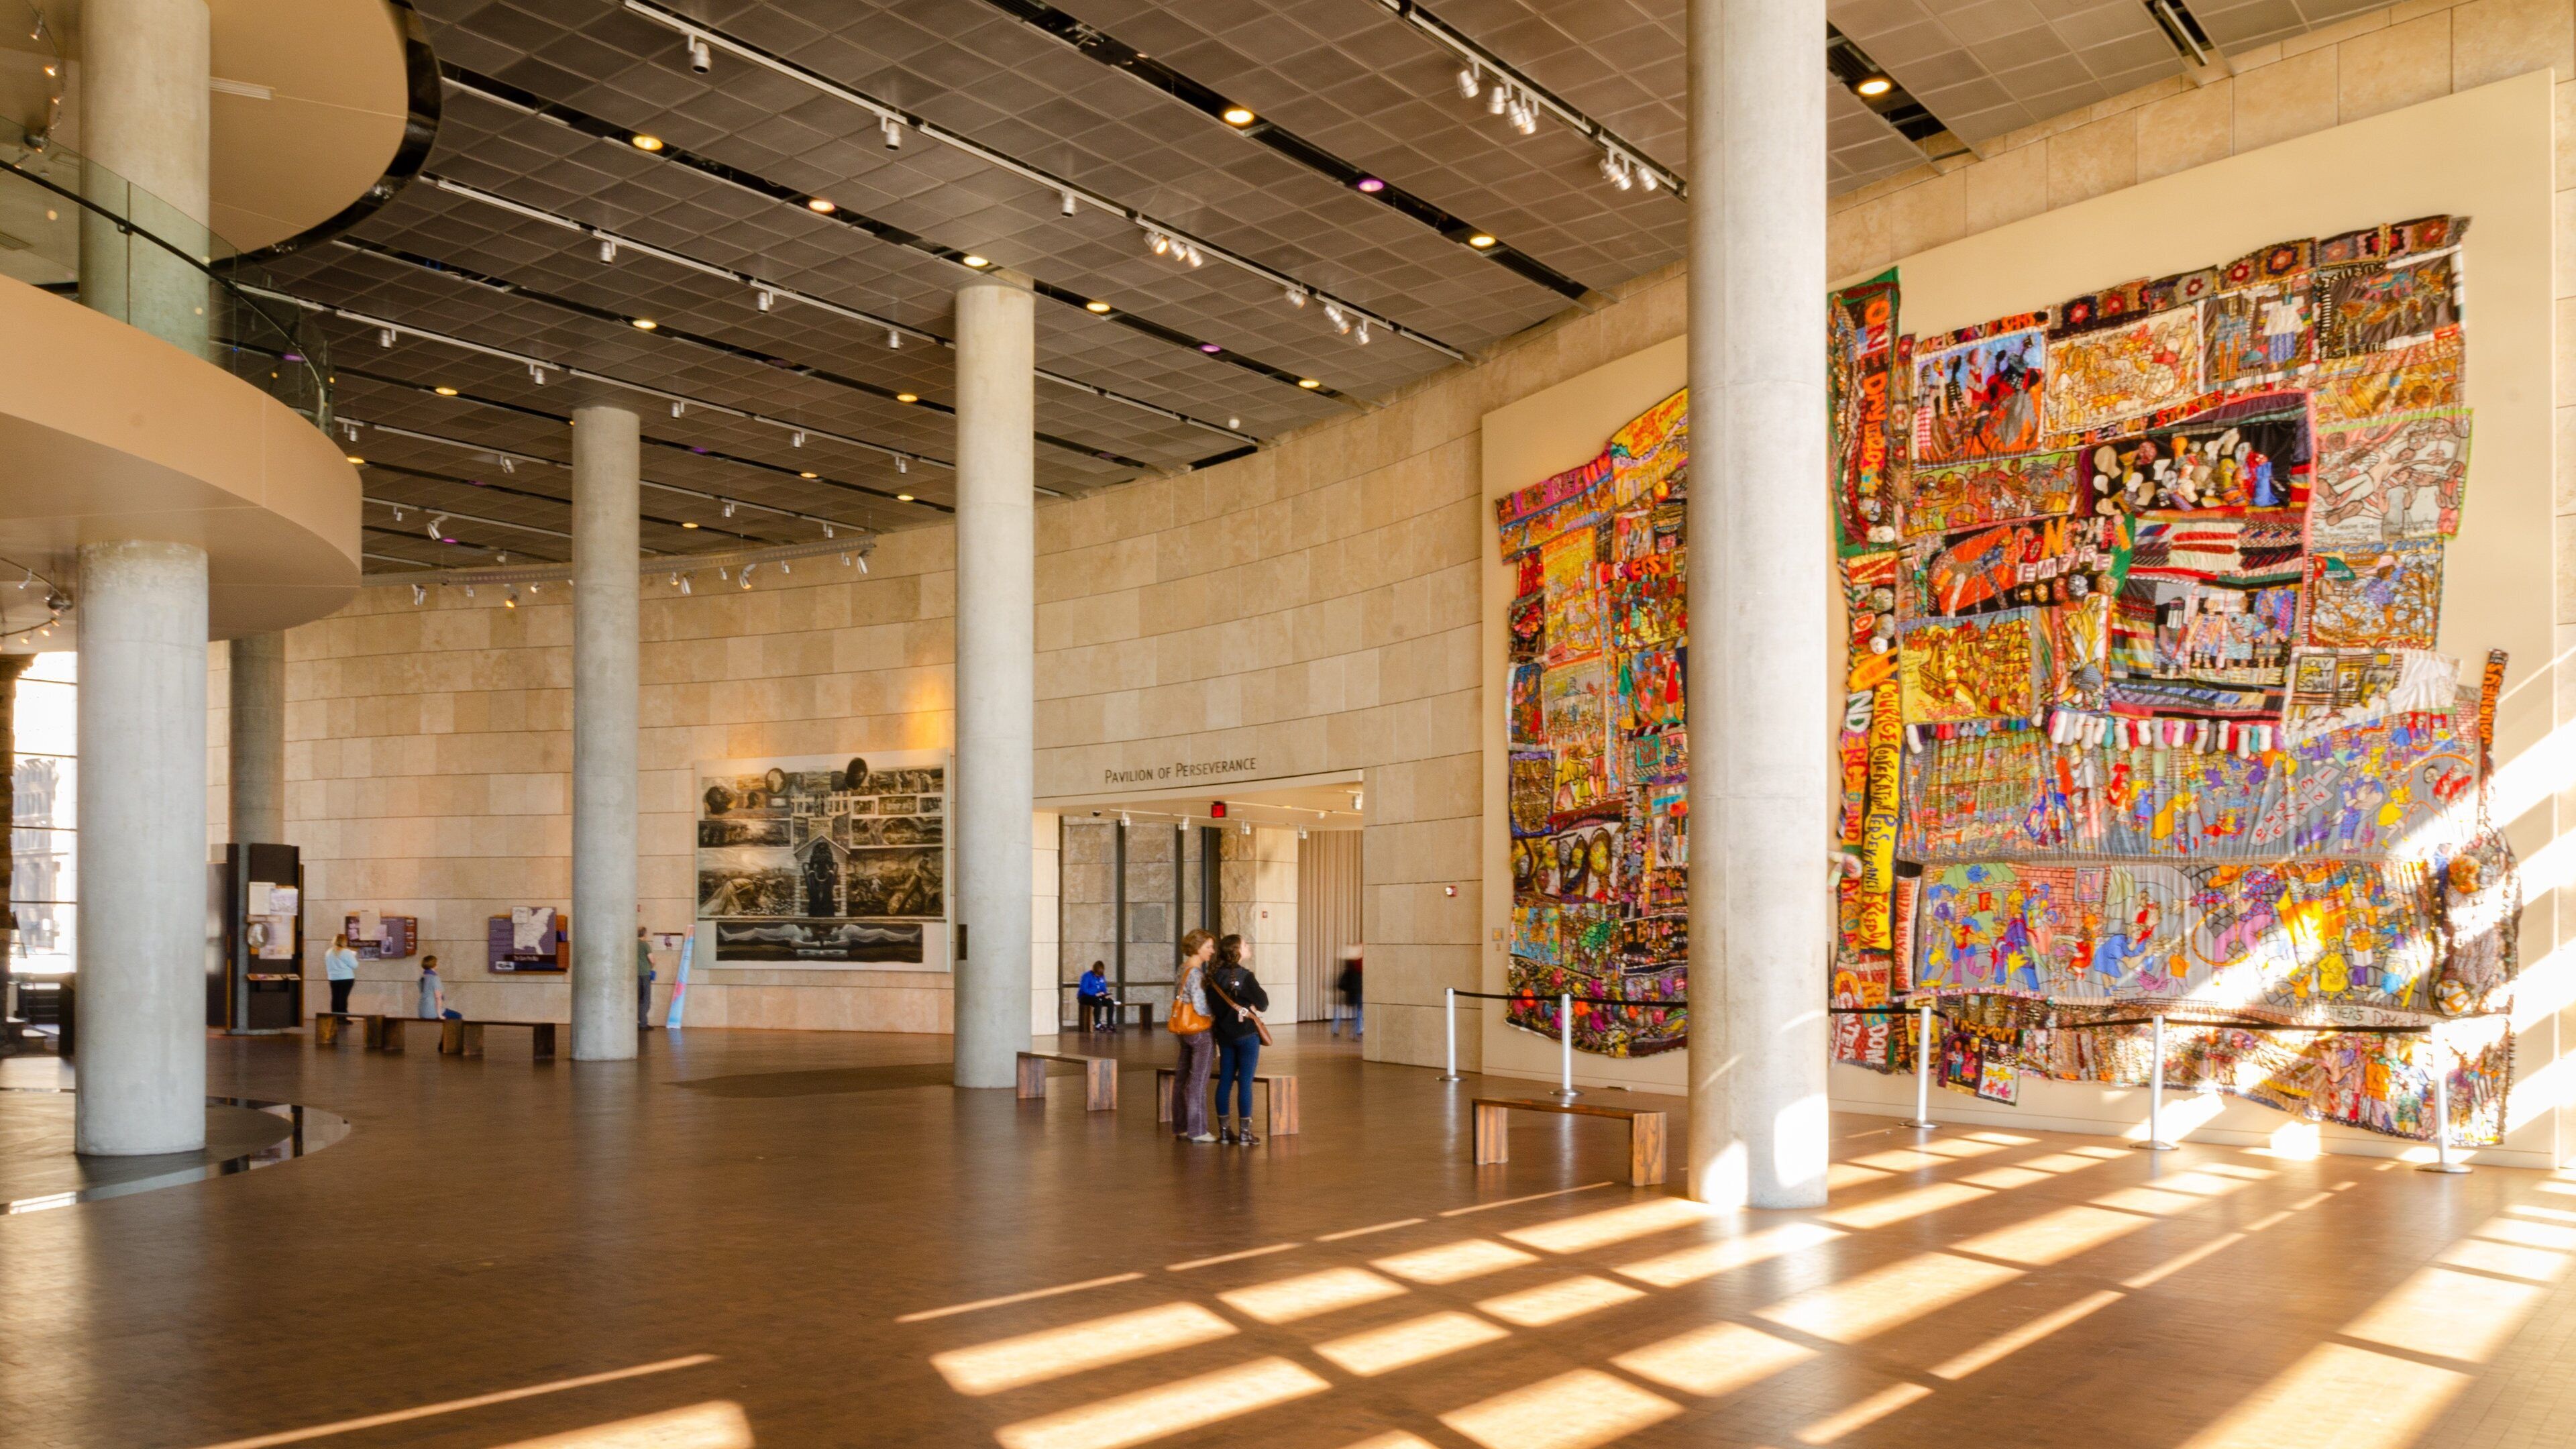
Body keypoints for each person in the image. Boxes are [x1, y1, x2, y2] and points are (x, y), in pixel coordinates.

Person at [1207, 934, 1271, 1145]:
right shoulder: (1245, 977)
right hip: (1246, 1035)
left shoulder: (1213, 977)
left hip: (1224, 1036)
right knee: (1245, 1082)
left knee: (1225, 1080)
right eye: (1244, 944)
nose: (1248, 946)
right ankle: (1245, 1133)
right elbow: (1263, 1003)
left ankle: (1224, 1132)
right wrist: (1249, 1005)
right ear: (1236, 951)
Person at [1170, 929, 1218, 1144]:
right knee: (1198, 1081)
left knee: (1182, 1079)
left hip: (1183, 1030)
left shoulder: (1182, 969)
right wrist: (1216, 1012)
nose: (1212, 951)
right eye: (1208, 947)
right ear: (1198, 947)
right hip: (1200, 1031)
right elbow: (1200, 1007)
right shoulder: (1197, 973)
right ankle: (1197, 1130)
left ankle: (1181, 1126)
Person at [323, 932, 359, 1015]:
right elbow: (355, 965)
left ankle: (335, 1017)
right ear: (344, 941)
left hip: (333, 978)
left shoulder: (328, 952)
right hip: (346, 978)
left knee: (335, 997)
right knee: (343, 998)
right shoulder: (346, 952)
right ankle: (343, 1017)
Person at [1077, 961, 1116, 1031]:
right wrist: (1095, 993)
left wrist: (1105, 994)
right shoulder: (1086, 976)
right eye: (1097, 974)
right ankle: (1098, 1024)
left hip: (1098, 996)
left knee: (1110, 1002)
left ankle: (1110, 1024)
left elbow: (1103, 988)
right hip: (1085, 997)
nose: (1098, 976)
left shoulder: (1102, 977)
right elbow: (1084, 989)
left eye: (1100, 975)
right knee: (1098, 1002)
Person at [1335, 949, 1364, 1038]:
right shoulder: (1358, 973)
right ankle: (1357, 1031)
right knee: (1358, 1013)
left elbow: (1341, 984)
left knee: (1355, 1014)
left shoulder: (1349, 972)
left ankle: (1337, 1029)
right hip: (1357, 994)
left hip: (1352, 994)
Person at [637, 929, 658, 1030]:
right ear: (644, 934)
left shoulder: (631, 944)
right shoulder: (645, 945)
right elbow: (652, 960)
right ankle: (643, 1023)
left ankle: (638, 1020)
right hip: (645, 974)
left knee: (638, 998)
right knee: (646, 999)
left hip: (634, 975)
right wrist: (650, 967)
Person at [417, 955, 447, 1020]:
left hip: (421, 1010)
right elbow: (438, 997)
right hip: (432, 1010)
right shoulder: (435, 978)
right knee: (458, 1016)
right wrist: (440, 1015)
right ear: (434, 965)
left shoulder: (421, 978)